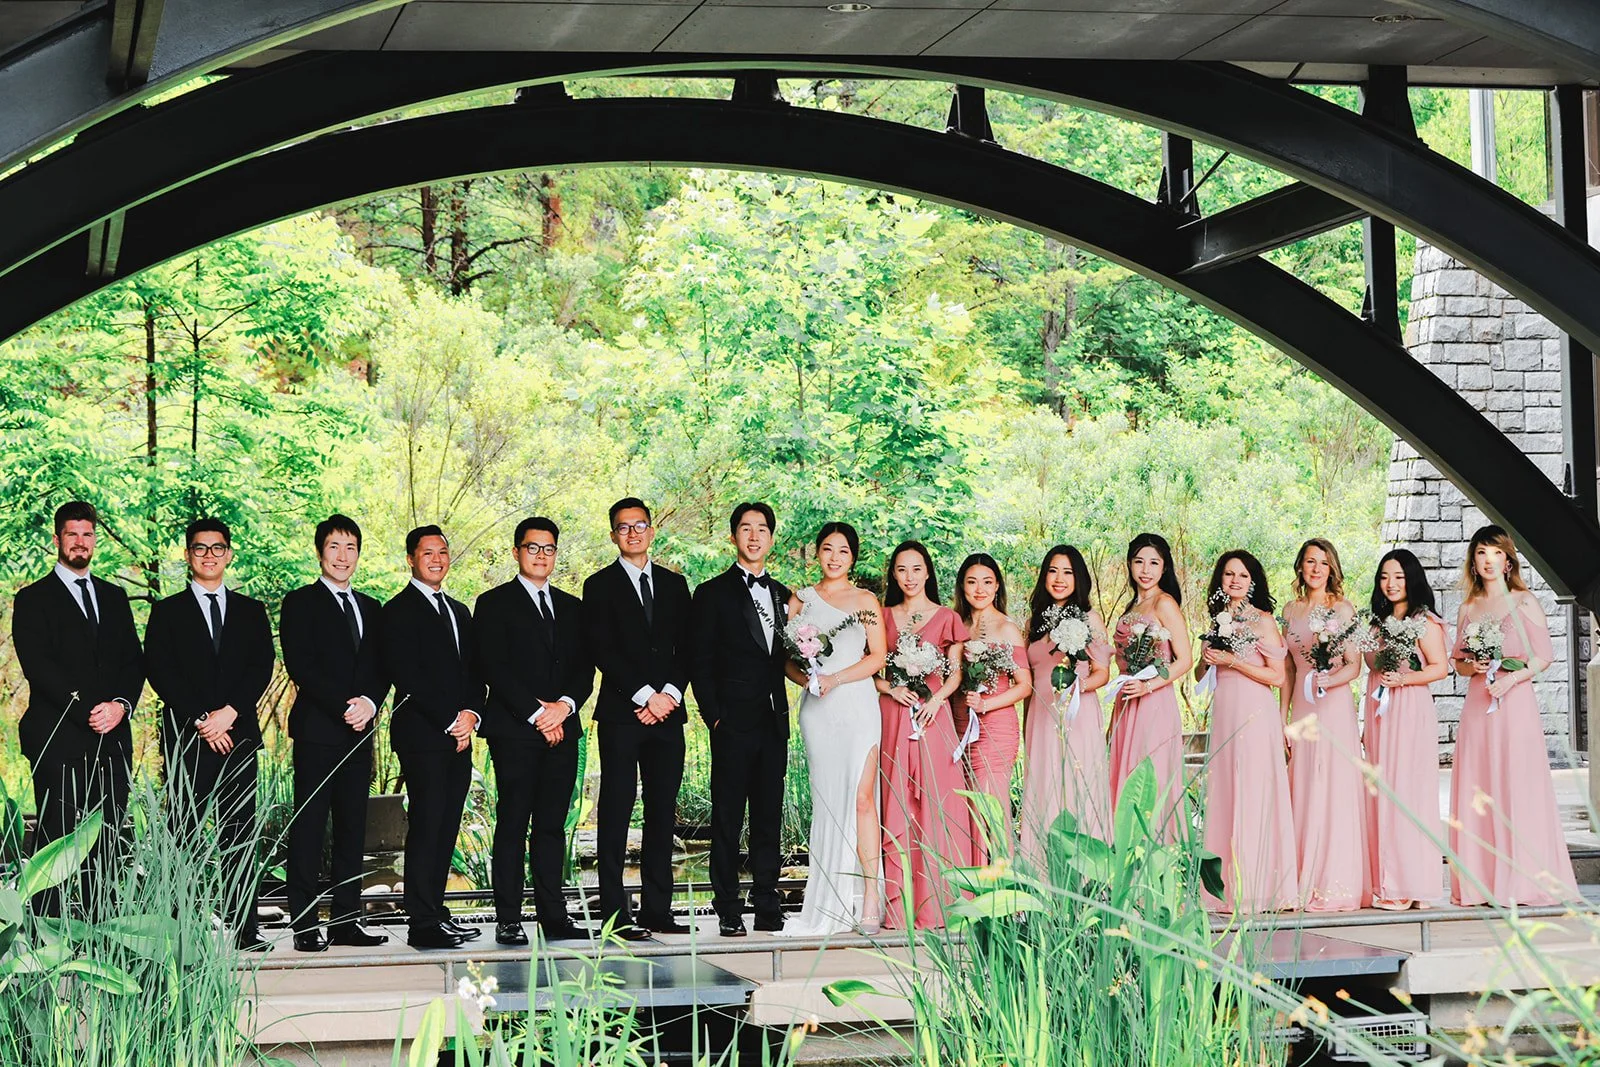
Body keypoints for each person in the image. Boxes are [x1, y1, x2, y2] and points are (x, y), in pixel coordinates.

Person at [144, 518, 276, 951]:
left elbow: (261, 666)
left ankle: (245, 931)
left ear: (229, 554)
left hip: (237, 737)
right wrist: (204, 718)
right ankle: (180, 932)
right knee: (181, 837)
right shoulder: (167, 612)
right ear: (187, 556)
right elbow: (160, 672)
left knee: (240, 835)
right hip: (188, 740)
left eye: (218, 548)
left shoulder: (251, 611)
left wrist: (230, 714)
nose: (209, 556)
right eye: (200, 549)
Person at [12, 501, 144, 916]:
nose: (80, 542)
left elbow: (132, 661)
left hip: (113, 739)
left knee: (106, 838)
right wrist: (92, 710)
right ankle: (47, 938)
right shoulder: (32, 599)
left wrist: (120, 706)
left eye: (87, 534)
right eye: (72, 534)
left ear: (95, 540)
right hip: (59, 739)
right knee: (58, 841)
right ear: (57, 540)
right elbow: (39, 666)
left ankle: (100, 931)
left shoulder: (114, 596)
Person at [474, 517, 594, 946]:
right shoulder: (492, 603)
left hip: (564, 730)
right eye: (532, 548)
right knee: (512, 823)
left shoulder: (573, 607)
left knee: (551, 828)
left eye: (548, 549)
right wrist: (536, 715)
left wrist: (563, 708)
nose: (541, 556)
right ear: (516, 552)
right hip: (514, 733)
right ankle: (508, 917)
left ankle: (553, 916)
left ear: (556, 554)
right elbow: (493, 666)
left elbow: (585, 669)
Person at [1449, 525, 1579, 906]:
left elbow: (1544, 656)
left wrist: (1512, 679)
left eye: (1496, 553)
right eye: (1481, 553)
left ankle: (1522, 881)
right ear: (1473, 561)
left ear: (1508, 561)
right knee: (1479, 784)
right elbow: (1459, 662)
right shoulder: (1467, 608)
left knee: (1515, 783)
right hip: (1478, 704)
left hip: (1514, 703)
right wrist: (1474, 668)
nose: (1488, 560)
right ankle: (1480, 882)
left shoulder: (1525, 602)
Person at [582, 498, 693, 940]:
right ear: (613, 535)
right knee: (616, 809)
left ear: (651, 530)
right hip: (621, 715)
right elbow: (601, 649)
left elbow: (689, 648)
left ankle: (657, 911)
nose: (632, 533)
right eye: (623, 527)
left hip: (669, 715)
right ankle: (614, 914)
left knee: (663, 813)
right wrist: (646, 695)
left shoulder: (675, 585)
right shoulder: (599, 586)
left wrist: (668, 694)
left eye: (640, 525)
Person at [281, 513, 390, 952]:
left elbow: (382, 666)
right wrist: (345, 705)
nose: (343, 557)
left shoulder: (371, 607)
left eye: (350, 548)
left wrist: (371, 702)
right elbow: (301, 666)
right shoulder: (300, 602)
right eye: (334, 547)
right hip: (318, 731)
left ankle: (347, 921)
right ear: (320, 552)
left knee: (352, 828)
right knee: (309, 829)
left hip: (360, 732)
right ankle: (305, 925)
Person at [689, 502, 792, 938]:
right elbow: (699, 660)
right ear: (733, 537)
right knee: (728, 819)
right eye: (746, 529)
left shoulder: (786, 596)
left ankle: (767, 903)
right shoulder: (711, 593)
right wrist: (714, 717)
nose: (754, 537)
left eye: (762, 529)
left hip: (774, 722)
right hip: (731, 723)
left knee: (769, 817)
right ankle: (728, 906)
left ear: (771, 538)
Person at [779, 522, 887, 937]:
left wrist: (837, 678)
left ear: (852, 557)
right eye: (827, 549)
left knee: (863, 799)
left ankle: (869, 898)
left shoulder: (864, 600)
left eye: (843, 550)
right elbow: (787, 659)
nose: (835, 557)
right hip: (818, 709)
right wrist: (808, 680)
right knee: (828, 802)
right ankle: (827, 899)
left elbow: (877, 656)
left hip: (858, 705)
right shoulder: (801, 601)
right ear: (818, 553)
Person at [381, 525, 484, 949]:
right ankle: (421, 924)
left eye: (443, 551)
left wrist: (472, 715)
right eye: (428, 553)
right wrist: (449, 720)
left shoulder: (460, 610)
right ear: (411, 559)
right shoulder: (396, 611)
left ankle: (436, 910)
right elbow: (408, 676)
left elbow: (477, 671)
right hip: (423, 734)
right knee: (426, 824)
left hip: (460, 735)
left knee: (446, 826)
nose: (437, 559)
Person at [875, 541, 971, 930]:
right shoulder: (882, 616)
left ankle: (939, 905)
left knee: (937, 802)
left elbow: (956, 672)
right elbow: (872, 669)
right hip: (895, 715)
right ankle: (900, 908)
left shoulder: (947, 617)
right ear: (893, 575)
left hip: (934, 718)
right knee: (898, 803)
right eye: (901, 570)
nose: (909, 577)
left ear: (928, 572)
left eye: (916, 569)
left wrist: (938, 700)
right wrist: (890, 689)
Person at [1194, 550, 1296, 914]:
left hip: (1255, 713)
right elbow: (1200, 675)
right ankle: (1224, 888)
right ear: (1220, 581)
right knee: (1225, 792)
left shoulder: (1263, 621)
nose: (1234, 581)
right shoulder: (1217, 619)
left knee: (1254, 792)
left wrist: (1233, 660)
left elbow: (1277, 676)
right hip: (1224, 713)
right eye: (1228, 575)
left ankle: (1260, 886)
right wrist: (1206, 660)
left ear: (1253, 581)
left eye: (1241, 575)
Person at [1281, 537, 1371, 912]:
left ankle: (1336, 881)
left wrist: (1328, 681)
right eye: (1309, 562)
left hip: (1332, 705)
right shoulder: (1289, 609)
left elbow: (1356, 664)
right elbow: (1287, 668)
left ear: (1331, 569)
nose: (1316, 568)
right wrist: (1281, 718)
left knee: (1332, 786)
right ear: (1300, 567)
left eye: (1323, 562)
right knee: (1302, 784)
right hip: (1302, 704)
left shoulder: (1343, 609)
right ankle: (1299, 875)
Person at [1362, 548, 1447, 911]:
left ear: (1411, 578)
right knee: (1384, 792)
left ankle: (1412, 886)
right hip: (1380, 707)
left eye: (1398, 576)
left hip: (1409, 707)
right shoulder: (1376, 624)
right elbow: (1370, 666)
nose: (1391, 583)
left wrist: (1406, 678)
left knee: (1409, 792)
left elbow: (1440, 668)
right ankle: (1393, 882)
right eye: (1384, 577)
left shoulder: (1423, 621)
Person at [1021, 544, 1112, 858]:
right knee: (1043, 787)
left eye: (1068, 572)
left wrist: (1077, 687)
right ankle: (1042, 871)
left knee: (1076, 786)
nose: (1059, 579)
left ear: (1079, 578)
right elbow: (1029, 678)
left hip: (1076, 715)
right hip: (1040, 716)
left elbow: (1103, 672)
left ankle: (1085, 876)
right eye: (1053, 571)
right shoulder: (1034, 622)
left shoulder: (1089, 618)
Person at [1107, 532, 1191, 841]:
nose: (1146, 569)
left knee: (1148, 779)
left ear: (1164, 567)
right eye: (1139, 562)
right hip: (1127, 702)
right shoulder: (1132, 606)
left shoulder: (1164, 603)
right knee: (1125, 778)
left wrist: (1149, 686)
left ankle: (1154, 861)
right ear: (1129, 565)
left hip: (1154, 702)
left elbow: (1185, 660)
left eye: (1154, 563)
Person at [952, 553, 1031, 861]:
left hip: (995, 728)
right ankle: (976, 895)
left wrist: (986, 703)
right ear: (962, 587)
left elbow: (1024, 685)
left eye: (987, 582)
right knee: (967, 816)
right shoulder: (958, 625)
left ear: (997, 586)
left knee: (992, 813)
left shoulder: (1007, 628)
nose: (980, 589)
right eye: (972, 582)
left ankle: (1007, 897)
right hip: (959, 726)